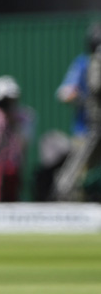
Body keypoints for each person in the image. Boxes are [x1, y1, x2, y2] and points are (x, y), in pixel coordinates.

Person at [53, 23, 101, 200]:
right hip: (86, 128)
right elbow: (64, 93)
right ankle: (66, 199)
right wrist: (85, 100)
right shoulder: (84, 63)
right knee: (78, 169)